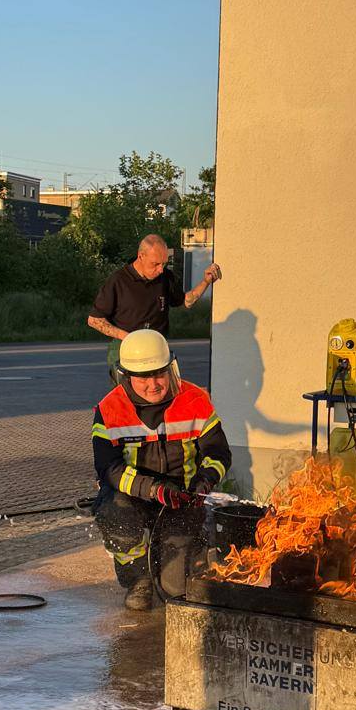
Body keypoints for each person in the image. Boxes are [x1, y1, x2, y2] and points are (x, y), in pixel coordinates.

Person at [92, 330, 232, 610]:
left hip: (181, 499)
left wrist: (204, 482)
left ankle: (187, 554)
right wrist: (154, 490)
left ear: (172, 368)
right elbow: (109, 468)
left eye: (160, 374)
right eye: (144, 377)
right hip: (132, 495)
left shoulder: (195, 400)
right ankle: (137, 579)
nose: (154, 384)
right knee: (114, 513)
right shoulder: (109, 409)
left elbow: (219, 453)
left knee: (175, 590)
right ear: (125, 376)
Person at [87, 234, 223, 380]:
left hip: (158, 347)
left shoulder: (166, 278)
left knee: (162, 396)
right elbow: (94, 320)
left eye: (164, 263)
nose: (161, 270)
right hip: (125, 348)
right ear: (141, 256)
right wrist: (130, 338)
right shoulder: (118, 280)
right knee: (129, 398)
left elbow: (187, 301)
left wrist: (206, 281)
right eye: (155, 264)